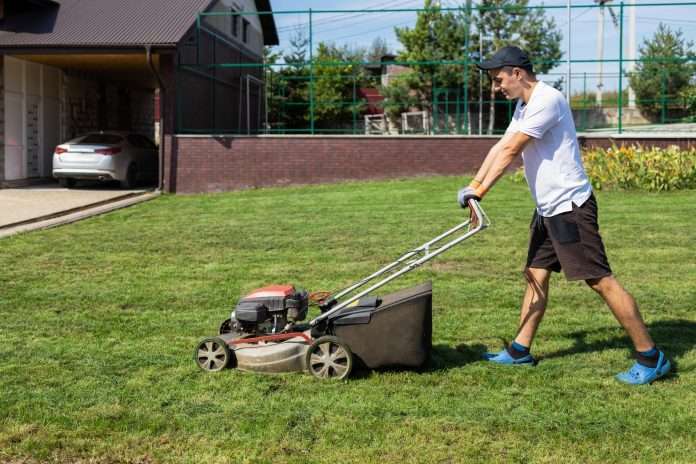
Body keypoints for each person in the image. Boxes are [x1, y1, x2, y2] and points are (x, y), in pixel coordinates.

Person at [457, 46, 671, 385]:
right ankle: (519, 350)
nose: (496, 87)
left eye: (498, 80)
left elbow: (513, 150)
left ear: (517, 72)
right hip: (548, 209)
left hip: (570, 208)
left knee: (600, 280)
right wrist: (472, 185)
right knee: (535, 274)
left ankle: (651, 356)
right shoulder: (523, 105)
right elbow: (500, 146)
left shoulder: (547, 100)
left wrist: (481, 192)